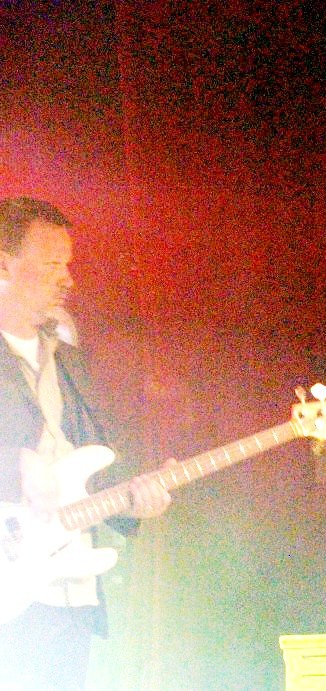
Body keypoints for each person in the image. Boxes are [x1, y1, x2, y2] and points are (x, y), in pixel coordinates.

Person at [0, 197, 172, 690]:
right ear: (5, 264)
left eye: (68, 264)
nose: (68, 278)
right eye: (54, 263)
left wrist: (136, 501)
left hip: (71, 593)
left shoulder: (70, 360)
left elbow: (93, 468)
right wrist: (13, 464)